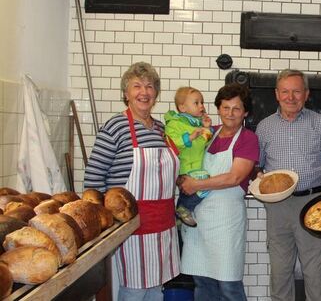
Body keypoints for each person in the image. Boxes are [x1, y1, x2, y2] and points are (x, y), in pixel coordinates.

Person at [84, 62, 179, 300]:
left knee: (157, 290)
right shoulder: (115, 127)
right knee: (134, 290)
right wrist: (101, 224)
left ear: (156, 94)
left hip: (162, 225)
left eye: (149, 86)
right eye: (136, 86)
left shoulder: (161, 129)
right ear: (126, 94)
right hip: (130, 227)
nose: (143, 92)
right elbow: (93, 179)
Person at [255, 69, 321, 301]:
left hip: (314, 203)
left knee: (316, 272)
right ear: (276, 94)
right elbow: (258, 166)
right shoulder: (264, 127)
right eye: (285, 91)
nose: (290, 97)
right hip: (278, 207)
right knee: (280, 272)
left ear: (306, 94)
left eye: (296, 91)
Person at [179, 83, 259, 301]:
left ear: (245, 113)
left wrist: (195, 185)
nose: (230, 114)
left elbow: (234, 177)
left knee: (228, 286)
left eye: (236, 109)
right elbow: (186, 158)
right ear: (217, 109)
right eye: (225, 107)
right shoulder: (208, 134)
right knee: (202, 284)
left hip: (226, 222)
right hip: (199, 220)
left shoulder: (248, 139)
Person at [165, 86, 213, 227]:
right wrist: (190, 137)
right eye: (196, 103)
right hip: (185, 167)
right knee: (204, 186)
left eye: (202, 102)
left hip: (196, 166)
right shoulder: (174, 123)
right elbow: (172, 143)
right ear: (182, 107)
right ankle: (183, 208)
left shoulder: (196, 123)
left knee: (205, 186)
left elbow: (205, 142)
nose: (202, 106)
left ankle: (182, 212)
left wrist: (207, 128)